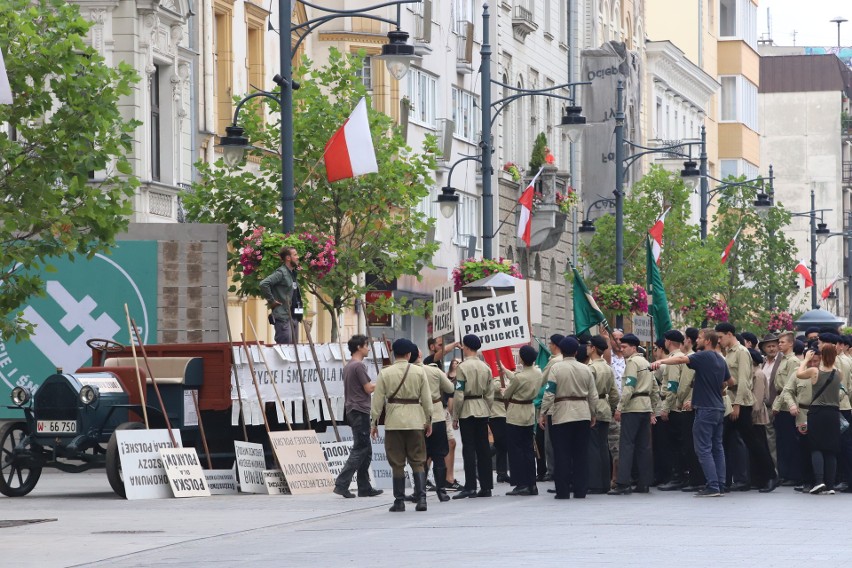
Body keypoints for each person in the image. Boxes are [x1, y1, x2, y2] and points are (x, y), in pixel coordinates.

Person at [651, 328, 731, 497]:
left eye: (700, 337)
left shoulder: (703, 356)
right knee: (717, 447)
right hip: (718, 407)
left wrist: (661, 361)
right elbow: (729, 381)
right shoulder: (720, 359)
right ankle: (721, 484)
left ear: (708, 341)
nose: (697, 340)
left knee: (703, 448)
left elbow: (681, 358)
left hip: (705, 408)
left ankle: (713, 485)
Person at [370, 339, 433, 512]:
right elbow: (427, 400)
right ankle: (421, 500)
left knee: (397, 462)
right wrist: (429, 420)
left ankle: (399, 501)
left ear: (393, 353)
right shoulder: (419, 372)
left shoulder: (385, 373)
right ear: (409, 354)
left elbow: (377, 401)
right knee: (418, 460)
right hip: (415, 420)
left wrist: (374, 423)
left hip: (394, 422)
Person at [541, 337, 597, 499]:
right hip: (582, 413)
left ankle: (563, 491)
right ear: (575, 351)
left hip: (562, 413)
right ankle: (581, 490)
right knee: (580, 454)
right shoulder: (585, 369)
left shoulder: (556, 369)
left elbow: (549, 392)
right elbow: (593, 395)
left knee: (562, 453)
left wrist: (543, 412)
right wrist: (593, 413)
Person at [333, 334, 383, 499]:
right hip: (359, 409)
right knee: (360, 449)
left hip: (354, 409)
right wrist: (384, 382)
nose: (368, 348)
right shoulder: (358, 366)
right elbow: (368, 388)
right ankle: (342, 483)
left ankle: (364, 487)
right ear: (359, 347)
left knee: (366, 450)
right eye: (367, 345)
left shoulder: (349, 365)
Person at [609, 333, 660, 495]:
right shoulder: (646, 362)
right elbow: (654, 388)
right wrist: (652, 409)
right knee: (644, 447)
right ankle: (644, 483)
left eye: (624, 347)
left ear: (633, 347)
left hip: (632, 407)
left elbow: (629, 387)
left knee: (627, 445)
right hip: (644, 407)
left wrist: (619, 407)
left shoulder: (632, 363)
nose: (621, 350)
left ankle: (623, 483)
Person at [451, 334, 495, 499]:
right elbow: (490, 394)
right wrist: (487, 409)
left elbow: (459, 393)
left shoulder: (462, 367)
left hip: (467, 410)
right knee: (483, 448)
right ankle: (486, 486)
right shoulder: (486, 367)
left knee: (469, 448)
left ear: (467, 347)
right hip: (482, 408)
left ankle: (470, 486)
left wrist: (455, 415)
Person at [797, 341, 841, 494]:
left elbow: (799, 373)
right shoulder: (838, 372)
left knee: (816, 447)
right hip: (833, 413)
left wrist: (805, 359)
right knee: (831, 449)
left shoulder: (815, 371)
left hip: (817, 412)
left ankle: (819, 481)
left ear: (821, 356)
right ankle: (830, 485)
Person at [499, 345, 542, 496]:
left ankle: (521, 484)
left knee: (516, 451)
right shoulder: (538, 372)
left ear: (522, 359)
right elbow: (519, 379)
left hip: (516, 414)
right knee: (528, 449)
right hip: (529, 413)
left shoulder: (520, 377)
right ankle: (531, 483)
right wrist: (504, 369)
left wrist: (504, 391)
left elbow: (507, 393)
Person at [415, 347, 455, 502]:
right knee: (439, 454)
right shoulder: (434, 371)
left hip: (416, 417)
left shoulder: (408, 372)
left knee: (420, 456)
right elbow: (450, 388)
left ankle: (420, 491)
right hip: (437, 415)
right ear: (420, 354)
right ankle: (441, 490)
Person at [588, 335, 618, 494]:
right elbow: (614, 393)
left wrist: (590, 412)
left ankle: (595, 483)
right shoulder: (607, 367)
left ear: (593, 348)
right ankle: (606, 482)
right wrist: (613, 409)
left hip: (595, 408)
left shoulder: (591, 368)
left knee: (593, 447)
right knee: (603, 446)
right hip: (605, 407)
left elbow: (590, 393)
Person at [771, 331, 802, 486]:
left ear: (791, 343)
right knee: (782, 442)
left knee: (790, 442)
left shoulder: (793, 361)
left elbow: (789, 386)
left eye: (783, 342)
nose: (780, 345)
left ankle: (792, 474)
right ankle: (784, 473)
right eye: (780, 342)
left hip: (788, 405)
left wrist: (777, 405)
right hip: (781, 402)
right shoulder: (782, 360)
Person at [658, 330, 688, 491]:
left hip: (674, 407)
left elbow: (672, 384)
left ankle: (678, 476)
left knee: (675, 444)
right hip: (678, 406)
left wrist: (666, 407)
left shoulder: (673, 360)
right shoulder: (682, 357)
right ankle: (681, 474)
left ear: (668, 342)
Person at [259, 246, 302, 344]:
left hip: (294, 317)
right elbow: (263, 284)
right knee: (285, 349)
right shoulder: (281, 272)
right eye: (295, 255)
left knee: (295, 353)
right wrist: (272, 301)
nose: (297, 257)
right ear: (288, 258)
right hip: (283, 318)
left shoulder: (292, 273)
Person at [539, 334, 565, 482]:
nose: (549, 346)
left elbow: (544, 383)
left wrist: (543, 411)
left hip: (554, 406)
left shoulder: (554, 362)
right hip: (570, 408)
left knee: (550, 442)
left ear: (555, 345)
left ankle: (552, 470)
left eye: (550, 343)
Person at [444, 358, 462, 491]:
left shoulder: (460, 376)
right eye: (455, 362)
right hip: (441, 411)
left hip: (445, 412)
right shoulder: (444, 375)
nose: (456, 364)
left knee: (451, 443)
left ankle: (448, 478)